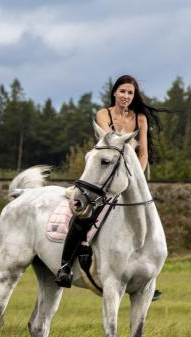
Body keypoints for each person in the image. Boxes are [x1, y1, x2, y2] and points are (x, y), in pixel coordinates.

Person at [56, 74, 163, 288]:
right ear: (114, 92)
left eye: (130, 93)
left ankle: (145, 276)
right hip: (106, 174)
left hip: (130, 175)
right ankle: (65, 266)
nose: (126, 96)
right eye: (122, 91)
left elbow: (143, 153)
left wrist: (135, 179)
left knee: (147, 219)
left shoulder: (140, 118)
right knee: (83, 215)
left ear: (134, 96)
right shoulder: (103, 114)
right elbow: (110, 144)